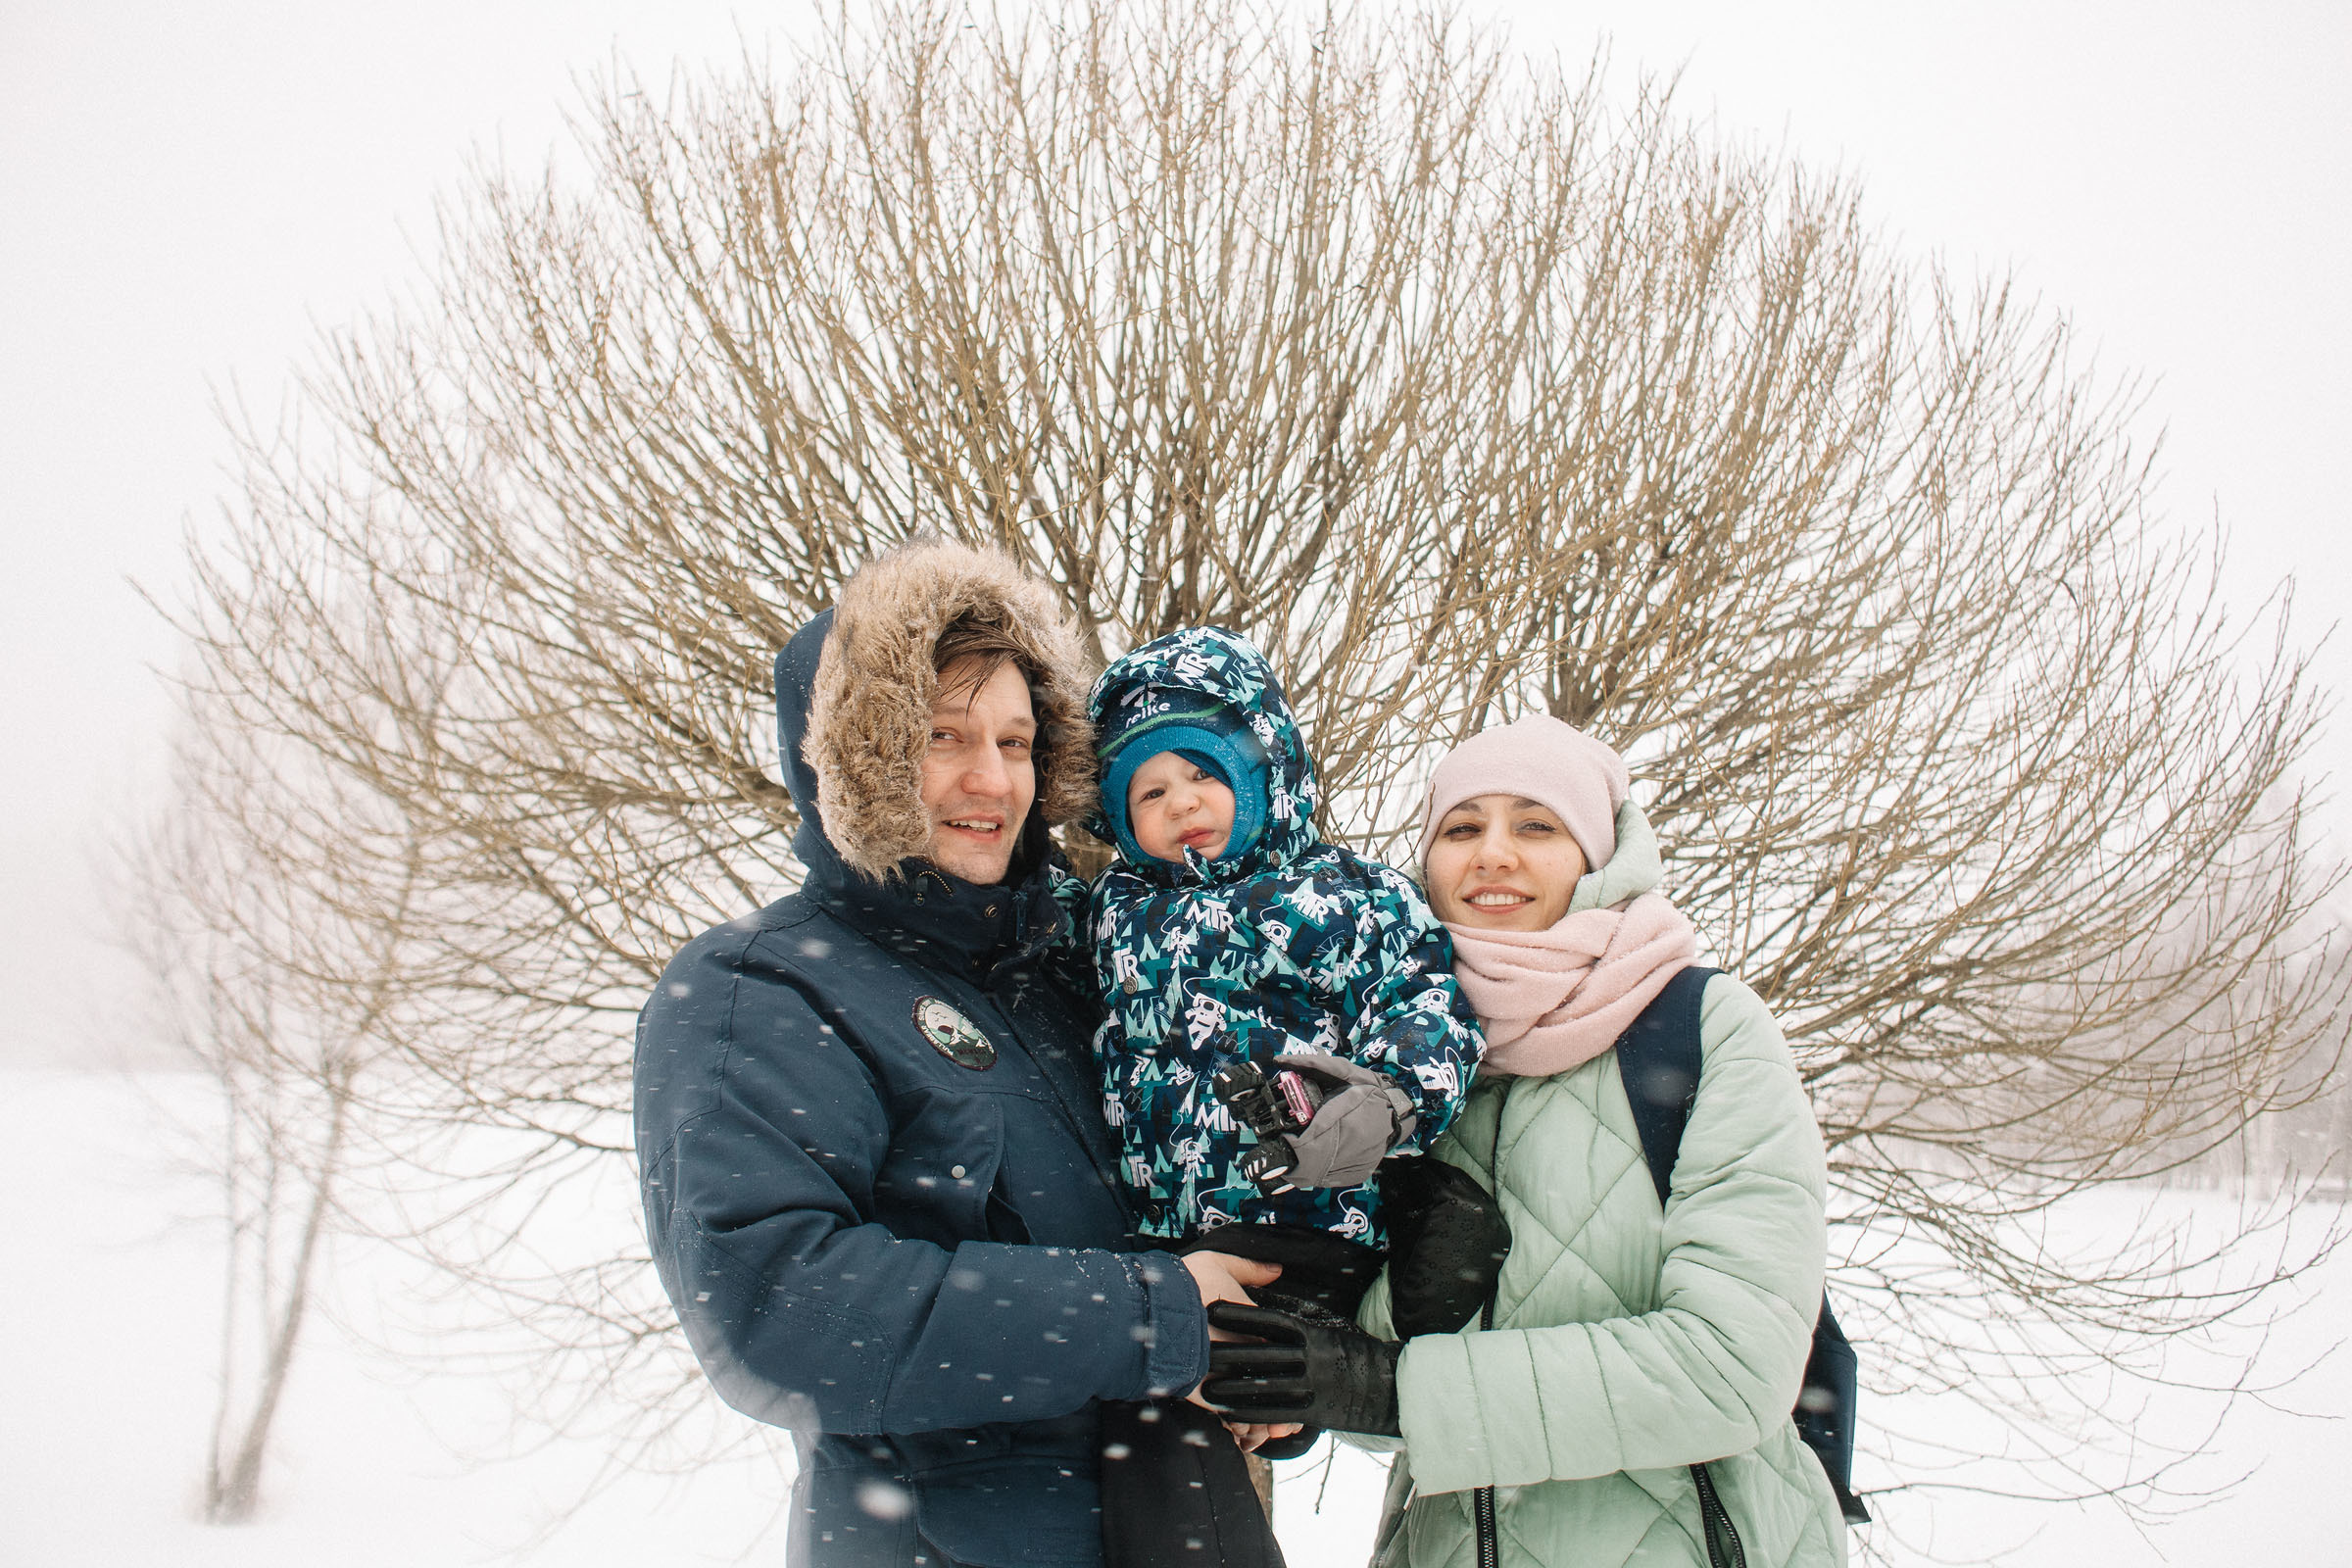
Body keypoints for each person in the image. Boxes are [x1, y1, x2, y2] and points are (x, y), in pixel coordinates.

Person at [634, 541, 1281, 1568]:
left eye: (1017, 742)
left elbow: (1207, 1199)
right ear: (855, 756)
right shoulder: (759, 987)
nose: (992, 779)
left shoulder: (1085, 964)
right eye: (943, 736)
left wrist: (1275, 1357)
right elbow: (777, 1305)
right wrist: (1154, 1319)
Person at [1203, 714, 1847, 1568]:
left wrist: (1391, 1388)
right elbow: (1386, 1418)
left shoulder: (1703, 1031)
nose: (1493, 854)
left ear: (1598, 855)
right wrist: (1344, 1347)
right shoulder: (1404, 1067)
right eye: (1462, 829)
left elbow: (1734, 1369)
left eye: (1537, 826)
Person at [1082, 628, 1494, 1564]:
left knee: (1192, 1423)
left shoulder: (1348, 896)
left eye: (1203, 772)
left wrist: (1390, 1099)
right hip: (1166, 1240)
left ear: (1265, 772)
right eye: (1149, 792)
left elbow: (1425, 1001)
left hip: (1308, 1221)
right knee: (1173, 1431)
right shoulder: (1111, 913)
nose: (1182, 803)